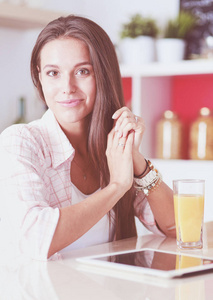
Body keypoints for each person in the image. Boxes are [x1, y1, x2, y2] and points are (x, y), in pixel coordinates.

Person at [0, 15, 175, 261]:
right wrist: (116, 188)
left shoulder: (112, 147)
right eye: (53, 73)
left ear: (103, 75)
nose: (67, 86)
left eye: (82, 71)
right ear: (39, 76)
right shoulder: (21, 142)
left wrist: (136, 161)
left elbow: (180, 229)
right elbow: (37, 238)